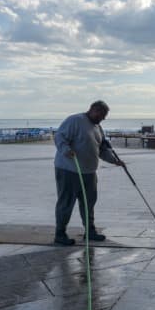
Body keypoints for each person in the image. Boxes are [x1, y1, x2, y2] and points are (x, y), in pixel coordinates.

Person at [53, 100, 124, 245]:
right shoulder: (75, 120)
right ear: (93, 110)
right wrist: (66, 150)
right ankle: (60, 234)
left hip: (89, 172)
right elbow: (59, 137)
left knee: (89, 203)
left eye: (105, 116)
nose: (103, 118)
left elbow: (102, 150)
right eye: (101, 115)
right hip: (69, 170)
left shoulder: (98, 127)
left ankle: (90, 232)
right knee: (66, 202)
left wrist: (115, 161)